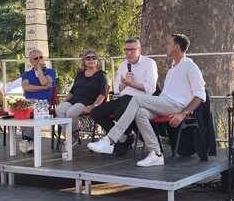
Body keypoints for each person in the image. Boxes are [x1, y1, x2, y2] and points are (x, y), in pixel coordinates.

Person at [88, 34, 206, 167]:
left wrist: (183, 113)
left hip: (177, 106)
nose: (166, 46)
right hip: (164, 102)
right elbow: (118, 89)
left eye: (169, 44)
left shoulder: (190, 66)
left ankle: (110, 140)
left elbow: (200, 95)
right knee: (141, 113)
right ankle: (156, 153)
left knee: (137, 99)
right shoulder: (173, 68)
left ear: (177, 47)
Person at [89, 38, 158, 156]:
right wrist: (124, 83)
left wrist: (132, 84)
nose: (129, 53)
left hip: (139, 99)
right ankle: (123, 138)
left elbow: (151, 88)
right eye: (126, 50)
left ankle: (117, 140)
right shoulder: (123, 65)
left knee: (119, 113)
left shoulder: (149, 63)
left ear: (139, 50)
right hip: (123, 98)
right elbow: (116, 89)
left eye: (132, 49)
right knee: (95, 112)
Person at [56, 50, 107, 145]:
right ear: (84, 61)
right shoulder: (80, 74)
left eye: (94, 58)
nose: (91, 60)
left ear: (97, 61)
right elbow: (72, 91)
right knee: (59, 109)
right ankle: (68, 134)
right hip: (74, 99)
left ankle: (74, 133)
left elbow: (103, 94)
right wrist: (65, 101)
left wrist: (93, 105)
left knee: (70, 112)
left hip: (88, 101)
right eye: (88, 58)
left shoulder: (101, 75)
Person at [19, 49, 56, 154]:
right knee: (23, 108)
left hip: (44, 102)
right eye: (36, 58)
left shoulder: (50, 72)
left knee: (35, 108)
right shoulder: (26, 74)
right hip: (29, 101)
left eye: (41, 57)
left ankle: (26, 139)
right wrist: (43, 88)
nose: (39, 60)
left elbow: (44, 81)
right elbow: (26, 88)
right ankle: (30, 141)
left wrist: (39, 69)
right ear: (31, 61)